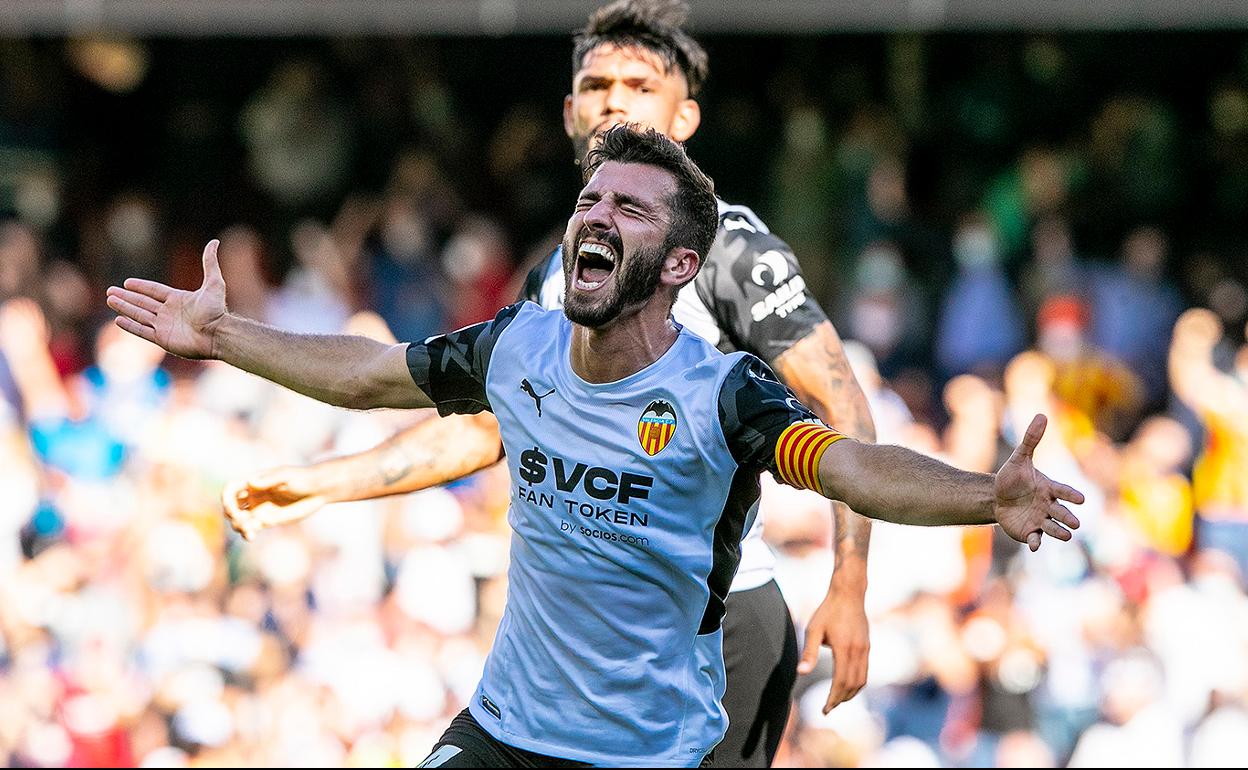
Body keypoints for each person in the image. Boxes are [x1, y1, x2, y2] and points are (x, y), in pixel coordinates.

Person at [108, 125, 1083, 768]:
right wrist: (225, 336)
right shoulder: (515, 344)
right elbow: (368, 373)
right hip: (502, 732)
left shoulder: (721, 391)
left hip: (644, 751)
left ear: (681, 264)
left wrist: (981, 494)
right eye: (591, 200)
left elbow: (853, 464)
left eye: (629, 208)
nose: (596, 216)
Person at [222, 4, 877, 763]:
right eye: (597, 84)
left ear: (685, 116)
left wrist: (850, 581)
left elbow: (840, 400)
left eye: (640, 84)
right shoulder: (560, 278)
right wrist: (326, 484)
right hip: (577, 651)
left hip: (716, 630)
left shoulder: (729, 248)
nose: (615, 100)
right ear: (571, 113)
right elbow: (482, 430)